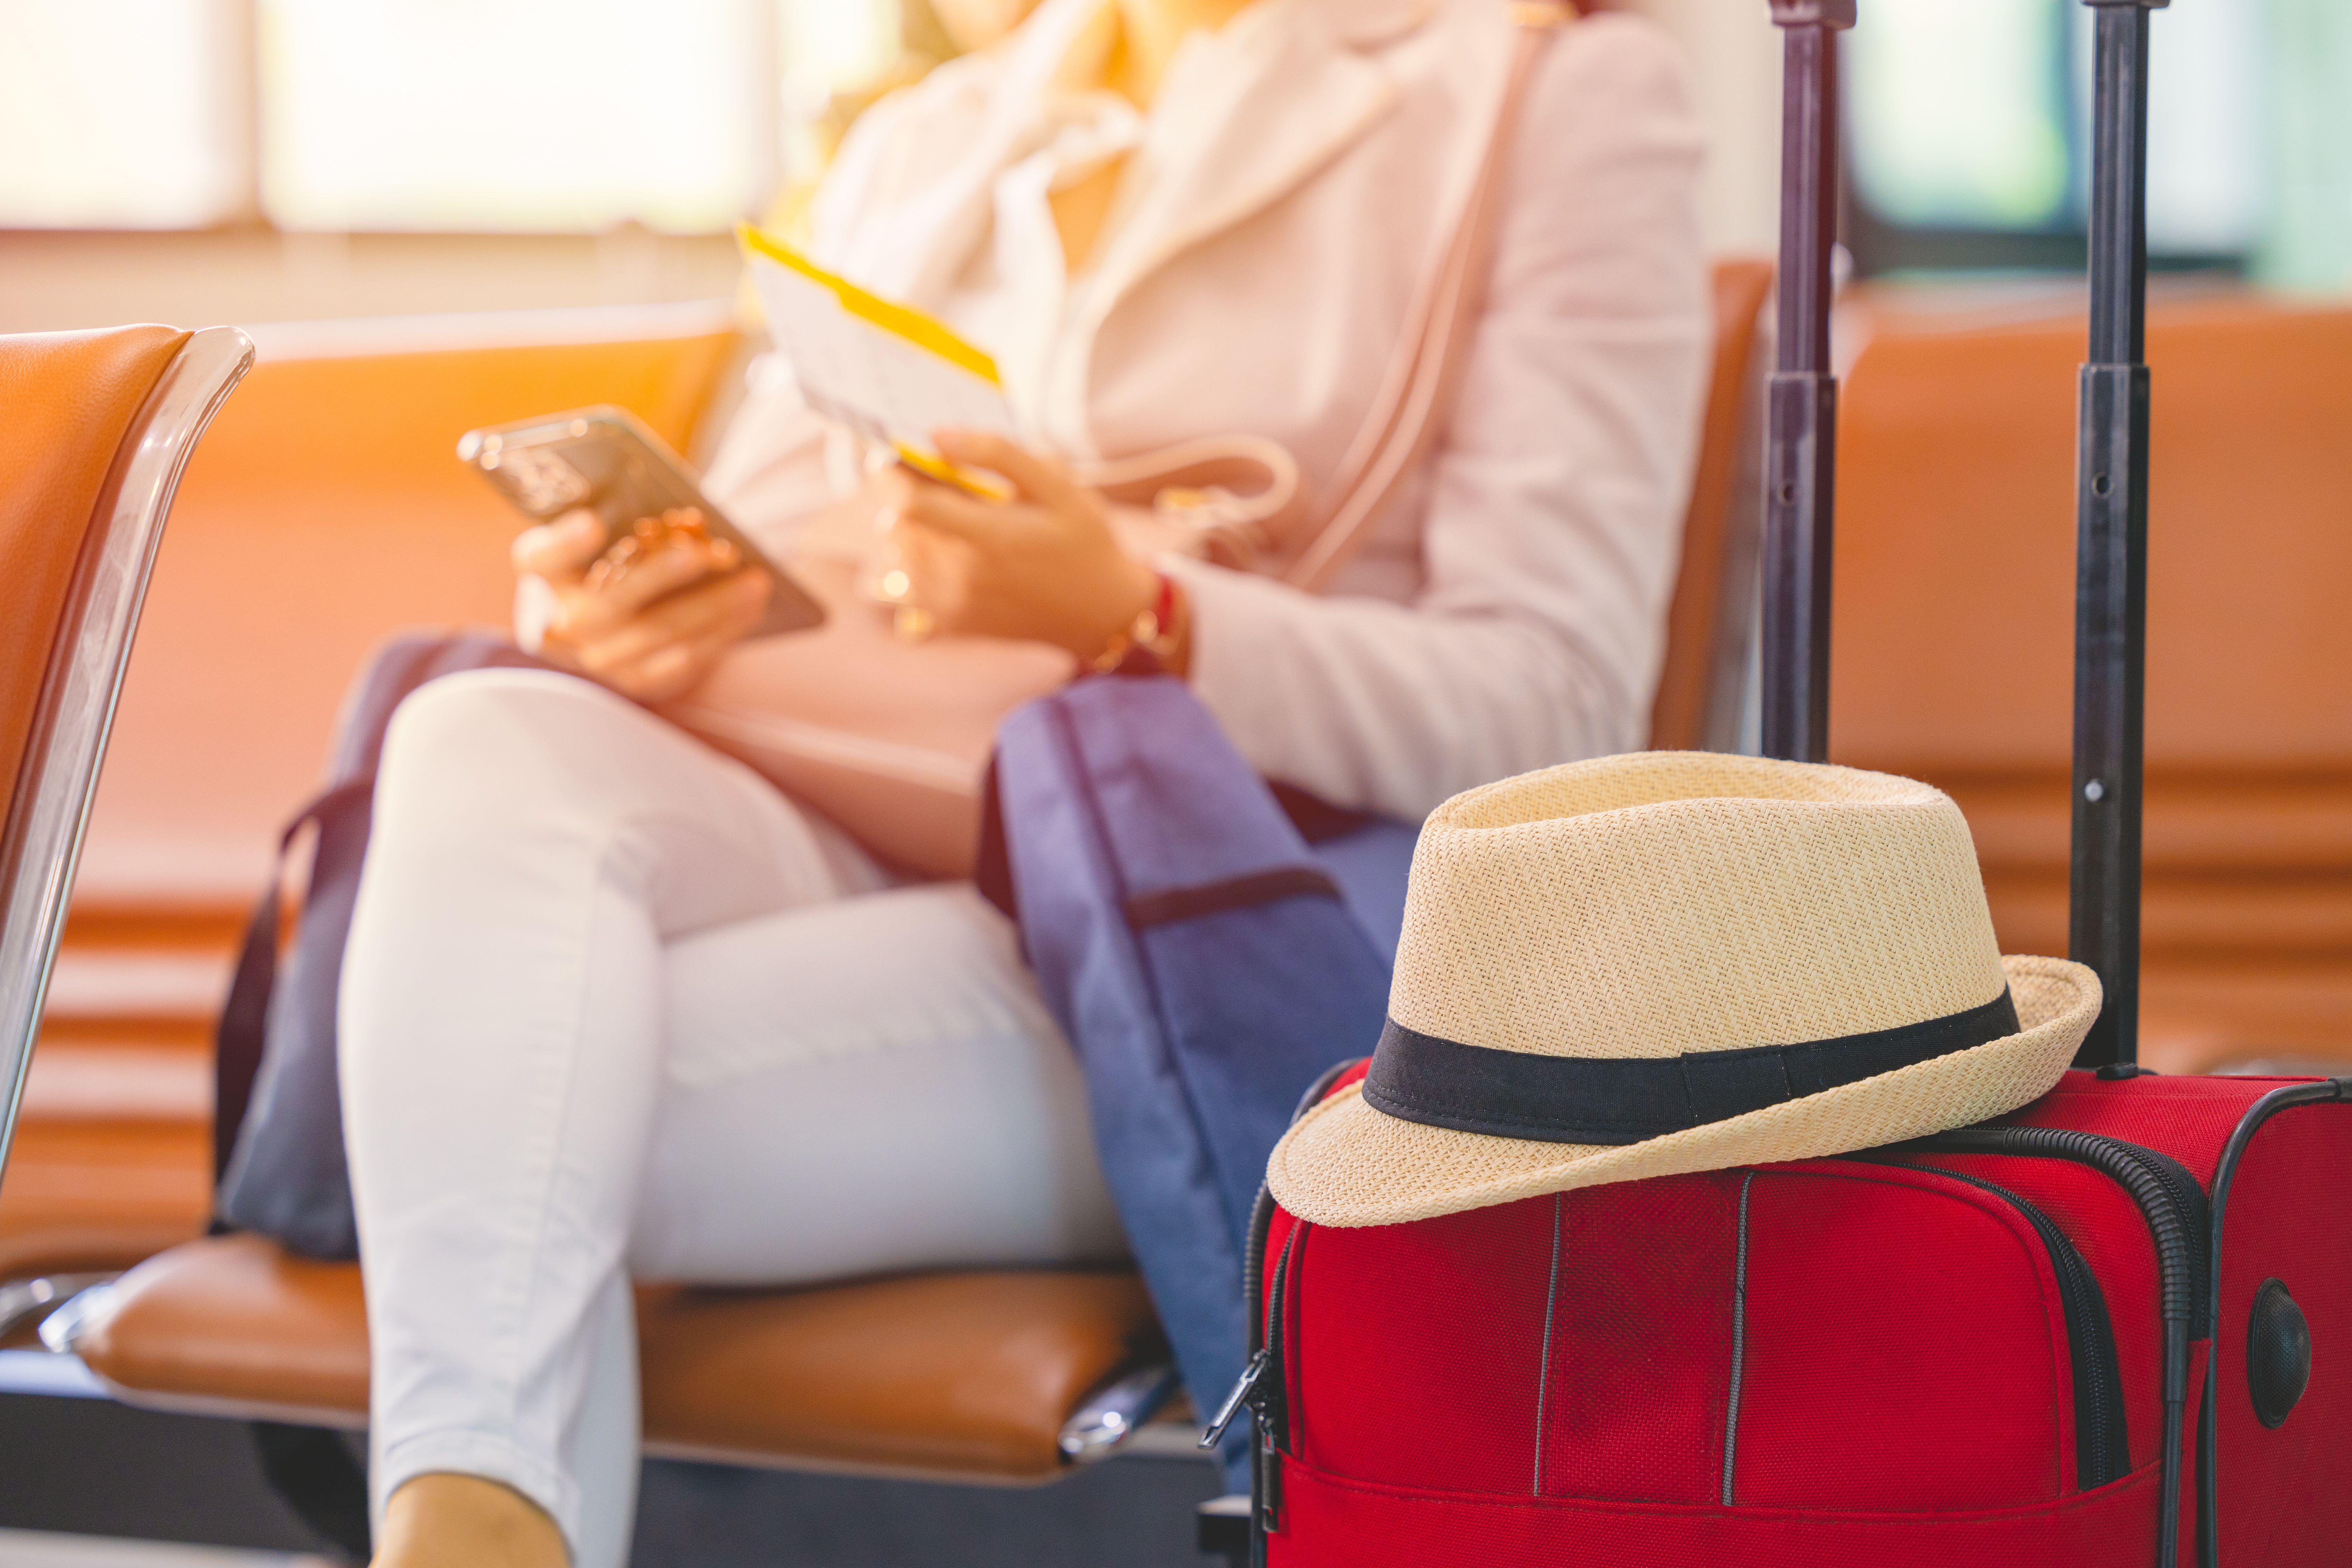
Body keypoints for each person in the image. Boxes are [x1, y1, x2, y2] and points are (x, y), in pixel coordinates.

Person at [346, 1, 1710, 1564]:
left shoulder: (1545, 91)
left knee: (505, 1110)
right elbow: (758, 546)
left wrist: (1143, 617)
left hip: (1196, 922)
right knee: (481, 736)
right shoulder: (927, 139)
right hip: (864, 826)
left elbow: (1557, 704)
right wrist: (614, 606)